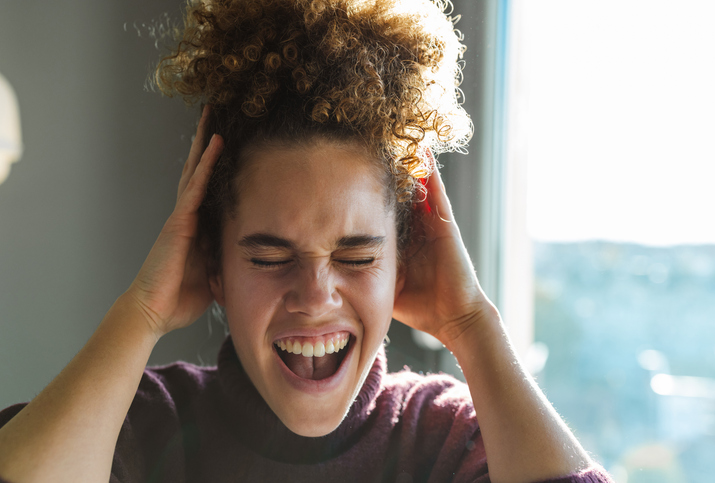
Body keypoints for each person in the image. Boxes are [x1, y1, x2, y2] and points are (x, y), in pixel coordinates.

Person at [0, 0, 613, 481]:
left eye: (358, 256)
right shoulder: (143, 427)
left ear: (404, 262)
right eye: (270, 256)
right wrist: (142, 312)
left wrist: (474, 325)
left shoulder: (451, 437)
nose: (315, 297)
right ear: (212, 262)